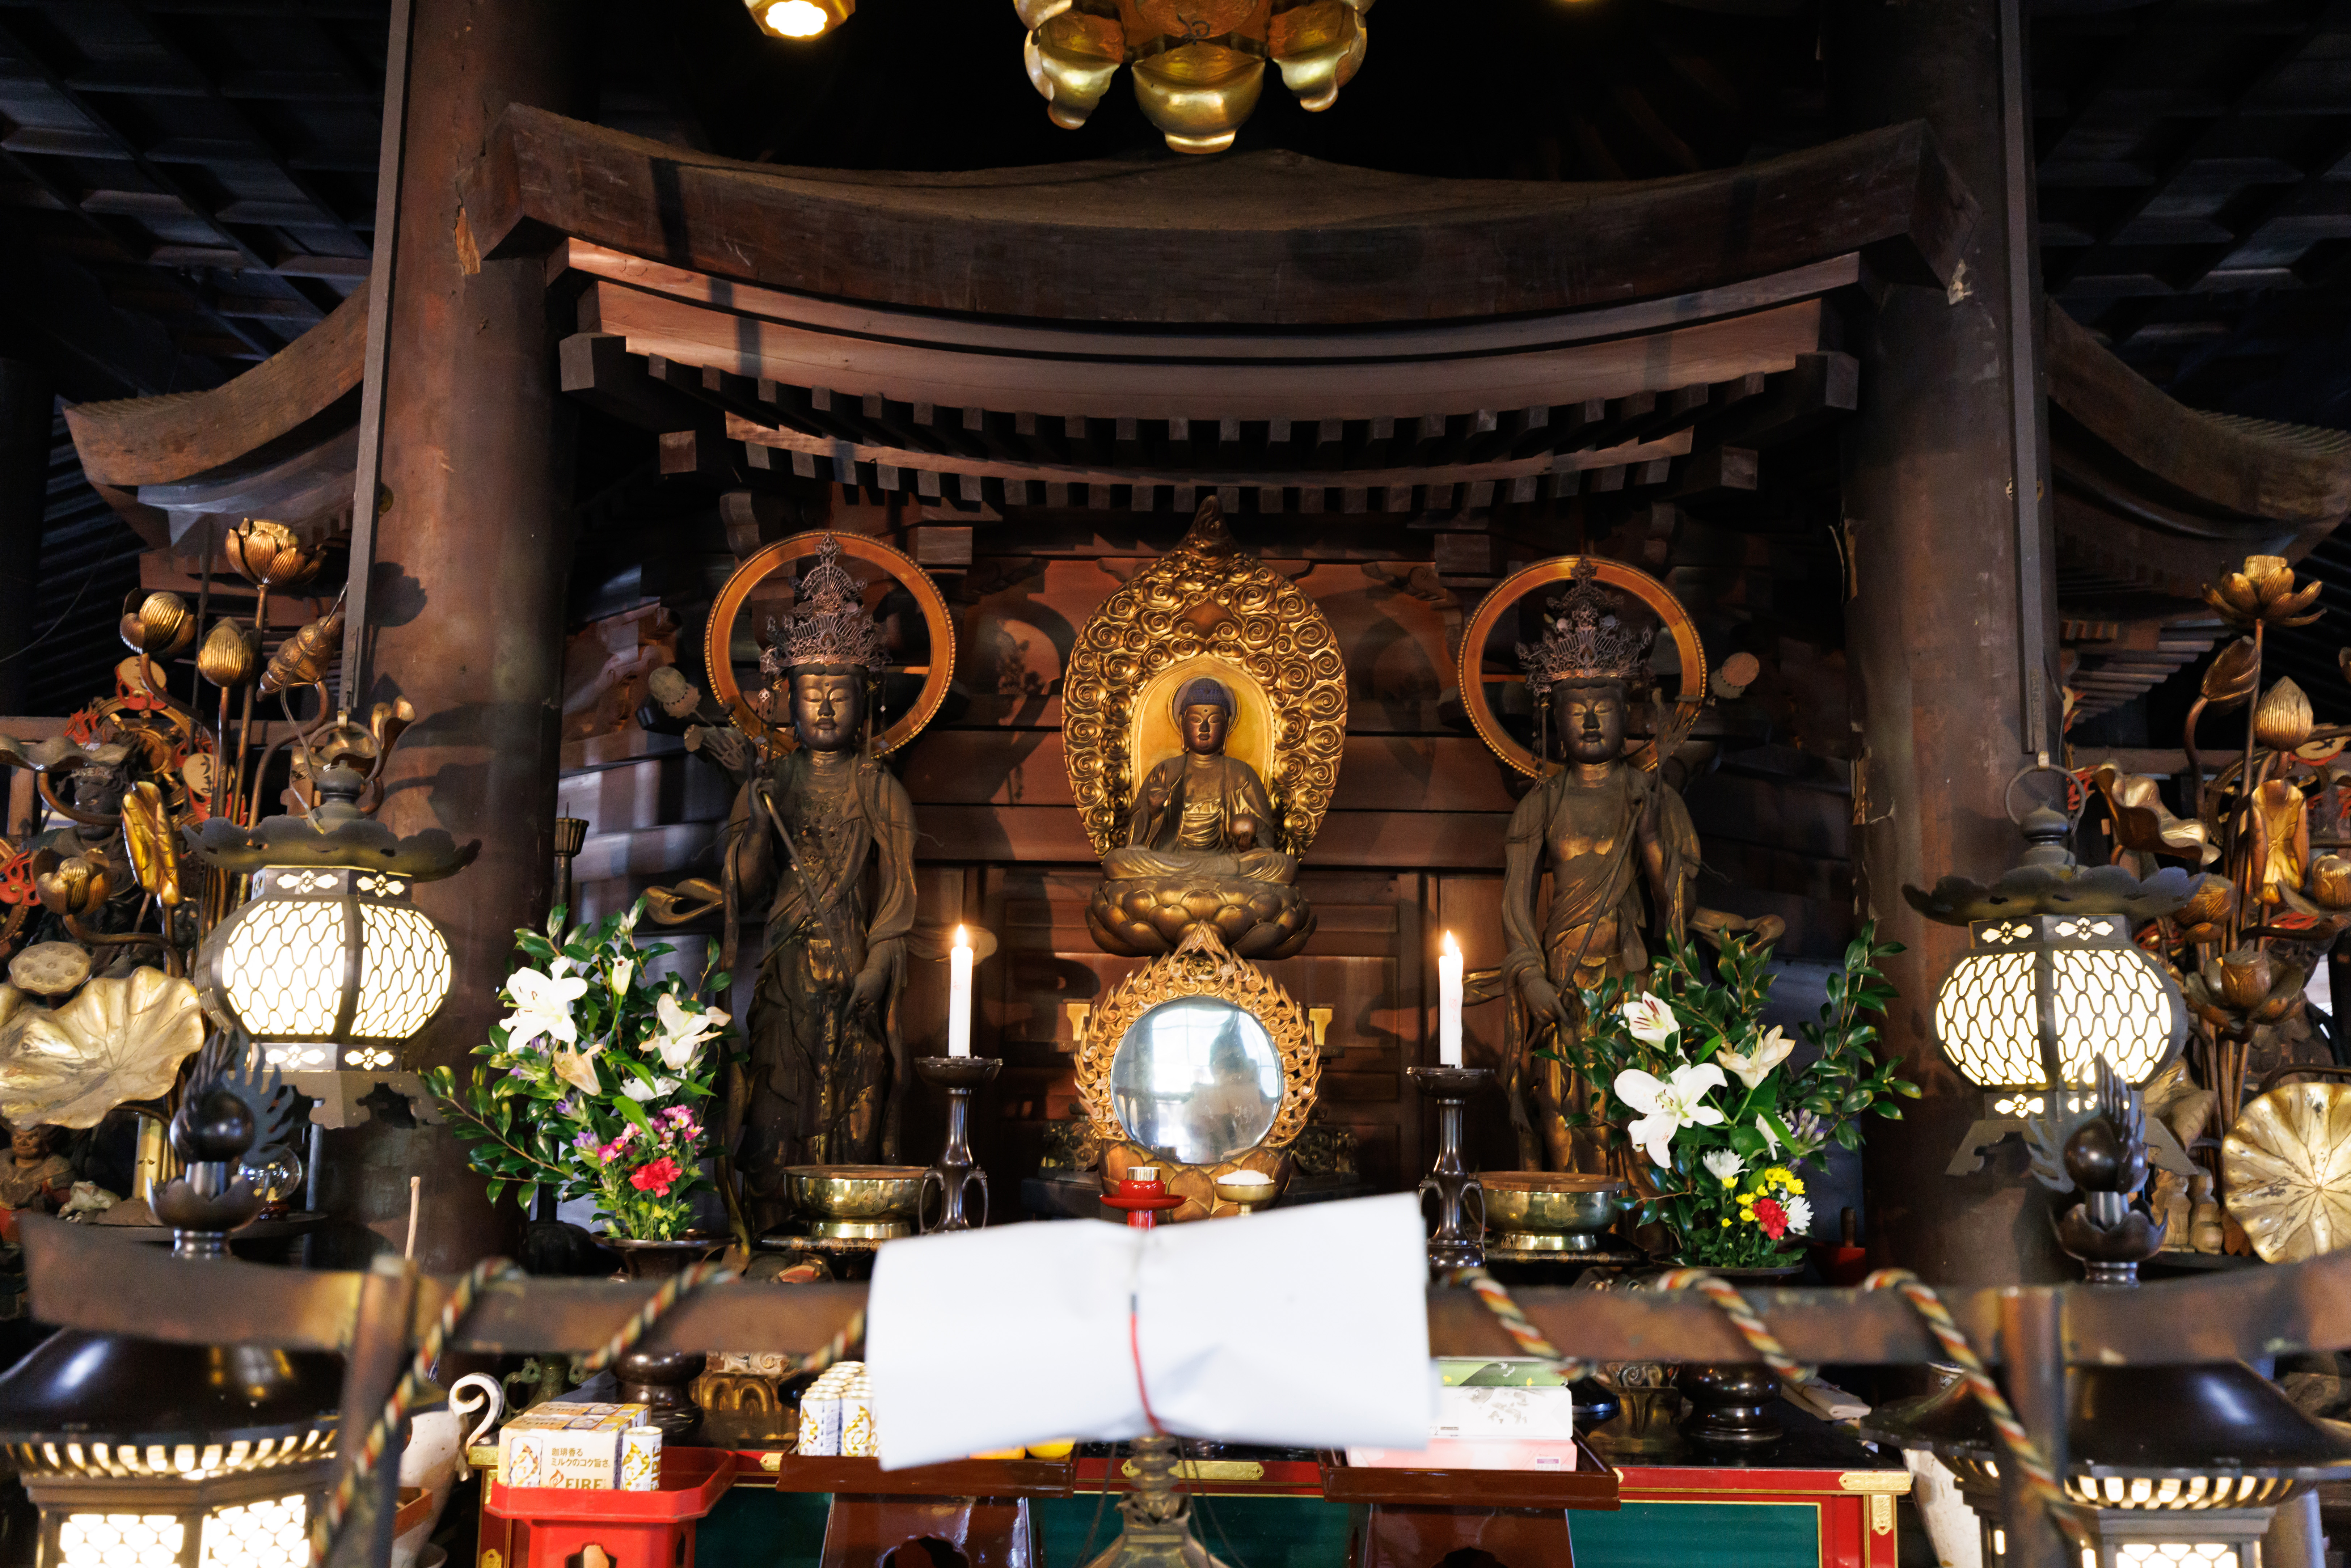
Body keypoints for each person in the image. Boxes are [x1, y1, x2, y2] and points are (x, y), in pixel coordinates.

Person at [1498, 559, 1698, 1172]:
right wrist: (1530, 977)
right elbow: (1514, 908)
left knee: (1633, 1113)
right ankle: (1569, 1221)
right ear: (1553, 718)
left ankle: (1636, 1231)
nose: (1589, 719)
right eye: (1575, 706)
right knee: (1562, 1110)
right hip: (1562, 975)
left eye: (1603, 706)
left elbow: (1676, 910)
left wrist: (1648, 840)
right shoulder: (1542, 803)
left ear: (1627, 711)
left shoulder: (1654, 798)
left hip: (1632, 971)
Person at [1105, 677, 1296, 885]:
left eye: (1214, 720)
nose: (1204, 728)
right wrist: (1153, 811)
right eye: (1196, 720)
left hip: (1227, 863)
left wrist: (1246, 845)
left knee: (1282, 866)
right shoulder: (1165, 771)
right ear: (1181, 724)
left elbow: (1264, 842)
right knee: (1117, 861)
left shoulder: (1242, 773)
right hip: (1172, 861)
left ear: (1228, 725)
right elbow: (1134, 843)